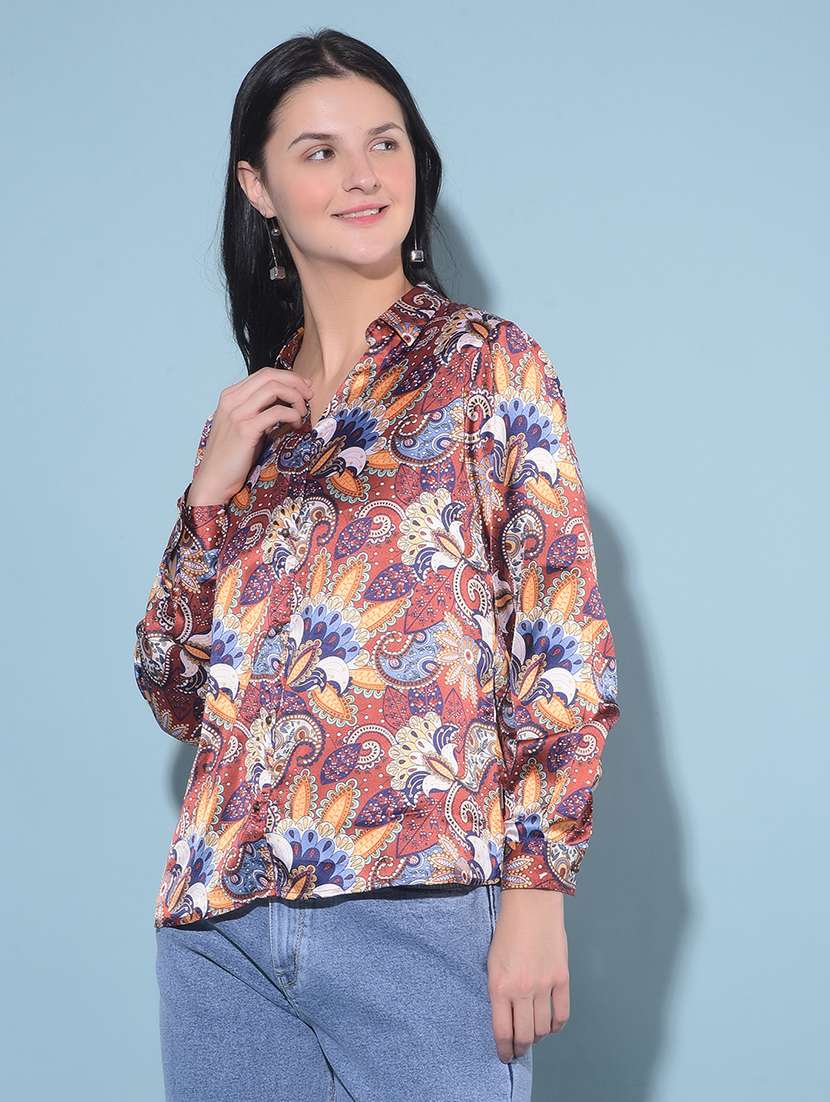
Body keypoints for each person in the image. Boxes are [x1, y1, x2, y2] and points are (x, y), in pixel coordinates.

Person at [133, 27, 621, 1102]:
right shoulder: (248, 420)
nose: (363, 174)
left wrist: (535, 890)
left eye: (384, 141)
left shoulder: (486, 366)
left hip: (421, 904)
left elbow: (561, 644)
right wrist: (206, 498)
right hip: (220, 924)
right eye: (319, 151)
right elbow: (176, 694)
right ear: (257, 187)